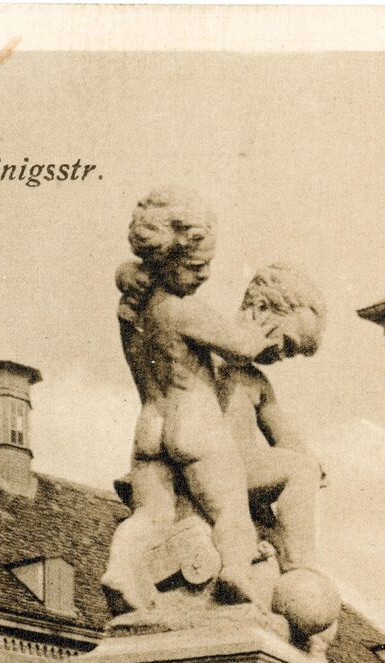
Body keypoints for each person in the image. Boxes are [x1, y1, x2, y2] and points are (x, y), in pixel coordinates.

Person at [102, 188, 284, 611]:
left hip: (150, 426)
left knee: (149, 516)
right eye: (198, 266)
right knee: (231, 512)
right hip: (195, 422)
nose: (205, 275)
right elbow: (242, 347)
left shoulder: (130, 311)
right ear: (169, 260)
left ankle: (121, 570)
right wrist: (259, 329)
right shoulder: (183, 310)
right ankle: (235, 572)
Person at [218, 264, 327, 577]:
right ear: (262, 307)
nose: (281, 357)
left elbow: (283, 434)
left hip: (241, 471)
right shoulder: (208, 353)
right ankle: (298, 564)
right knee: (299, 470)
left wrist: (311, 458)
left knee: (304, 465)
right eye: (287, 345)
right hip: (221, 465)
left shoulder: (256, 381)